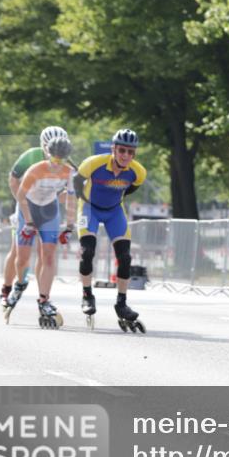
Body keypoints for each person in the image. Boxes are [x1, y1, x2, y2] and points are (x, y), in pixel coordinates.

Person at [73, 128, 146, 330]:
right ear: (113, 148)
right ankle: (87, 295)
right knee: (87, 252)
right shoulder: (93, 163)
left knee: (125, 258)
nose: (126, 156)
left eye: (131, 152)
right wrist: (84, 201)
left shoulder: (137, 172)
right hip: (89, 209)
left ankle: (121, 304)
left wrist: (113, 193)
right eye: (122, 150)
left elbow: (131, 188)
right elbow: (76, 181)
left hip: (114, 211)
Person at [6, 132, 77, 327]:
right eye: (54, 157)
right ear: (47, 153)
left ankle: (44, 299)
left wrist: (70, 225)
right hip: (28, 209)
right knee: (22, 260)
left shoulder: (69, 172)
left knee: (48, 255)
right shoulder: (35, 170)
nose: (56, 162)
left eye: (61, 159)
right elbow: (20, 196)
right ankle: (19, 283)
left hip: (49, 212)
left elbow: (71, 198)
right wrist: (28, 222)